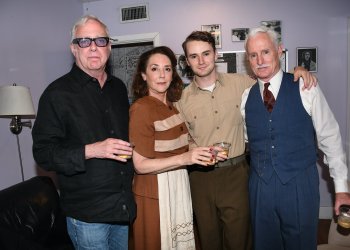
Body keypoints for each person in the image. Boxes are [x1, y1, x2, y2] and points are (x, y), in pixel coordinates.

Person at [175, 30, 317, 250]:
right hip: (200, 177)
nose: (201, 61)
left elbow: (272, 78)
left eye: (206, 53)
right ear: (187, 61)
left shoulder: (243, 84)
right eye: (194, 56)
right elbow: (182, 139)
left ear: (215, 54)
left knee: (240, 239)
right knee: (208, 238)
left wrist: (298, 72)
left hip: (236, 173)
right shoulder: (181, 99)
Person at [241, 26, 350, 250]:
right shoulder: (245, 97)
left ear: (280, 51)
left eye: (266, 52)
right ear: (248, 59)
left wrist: (341, 187)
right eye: (253, 55)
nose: (260, 60)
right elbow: (248, 138)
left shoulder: (305, 86)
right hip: (260, 187)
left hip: (299, 184)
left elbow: (330, 138)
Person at [32, 15, 136, 250]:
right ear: (73, 48)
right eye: (84, 41)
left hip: (121, 207)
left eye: (100, 41)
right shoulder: (56, 94)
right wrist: (93, 150)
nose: (92, 48)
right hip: (88, 215)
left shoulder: (118, 88)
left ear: (109, 47)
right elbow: (44, 154)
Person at [129, 46, 220, 250]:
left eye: (167, 69)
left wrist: (203, 151)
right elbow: (140, 165)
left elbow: (178, 145)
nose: (162, 75)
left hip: (178, 185)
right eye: (154, 69)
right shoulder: (141, 108)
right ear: (143, 75)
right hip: (155, 193)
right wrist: (186, 159)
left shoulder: (172, 105)